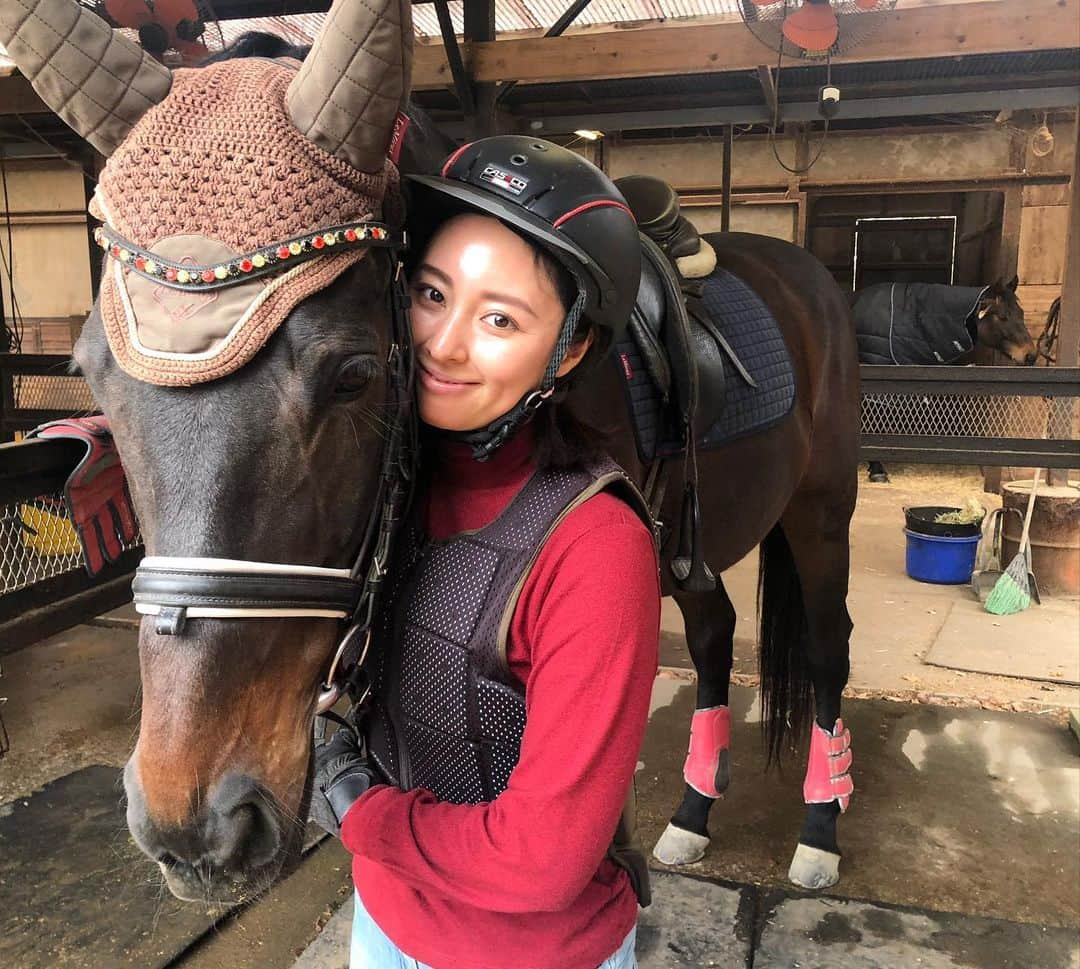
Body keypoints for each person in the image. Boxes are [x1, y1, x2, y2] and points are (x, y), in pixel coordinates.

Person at [311, 136, 660, 969]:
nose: (443, 344)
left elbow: (540, 861)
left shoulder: (594, 547)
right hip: (384, 914)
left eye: (500, 317)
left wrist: (358, 808)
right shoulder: (390, 470)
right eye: (432, 293)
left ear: (569, 347)